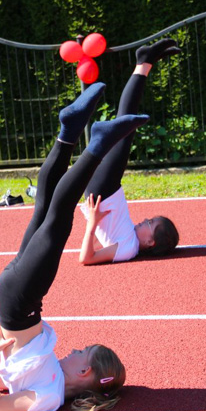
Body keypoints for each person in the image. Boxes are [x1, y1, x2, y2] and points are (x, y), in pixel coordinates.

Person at [0, 83, 148, 411]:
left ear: (85, 373)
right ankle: (69, 130)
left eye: (82, 352)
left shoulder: (51, 397)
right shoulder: (50, 377)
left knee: (58, 219)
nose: (74, 349)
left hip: (19, 304)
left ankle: (97, 144)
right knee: (44, 208)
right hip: (17, 302)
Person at [79, 39, 181, 265]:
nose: (144, 220)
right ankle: (144, 63)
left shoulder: (128, 250)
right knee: (124, 125)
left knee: (125, 125)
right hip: (107, 189)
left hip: (102, 191)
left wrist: (92, 223)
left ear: (151, 242)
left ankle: (144, 62)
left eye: (149, 224)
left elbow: (86, 259)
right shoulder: (129, 243)